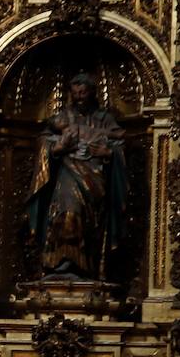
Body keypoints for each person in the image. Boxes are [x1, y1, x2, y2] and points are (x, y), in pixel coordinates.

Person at [26, 72, 128, 280]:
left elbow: (121, 144)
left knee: (88, 218)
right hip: (67, 174)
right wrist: (58, 148)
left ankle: (85, 266)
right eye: (75, 93)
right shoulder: (62, 118)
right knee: (68, 211)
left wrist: (107, 153)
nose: (79, 97)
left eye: (83, 92)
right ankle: (62, 263)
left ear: (92, 93)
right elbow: (43, 142)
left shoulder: (104, 119)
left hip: (95, 178)